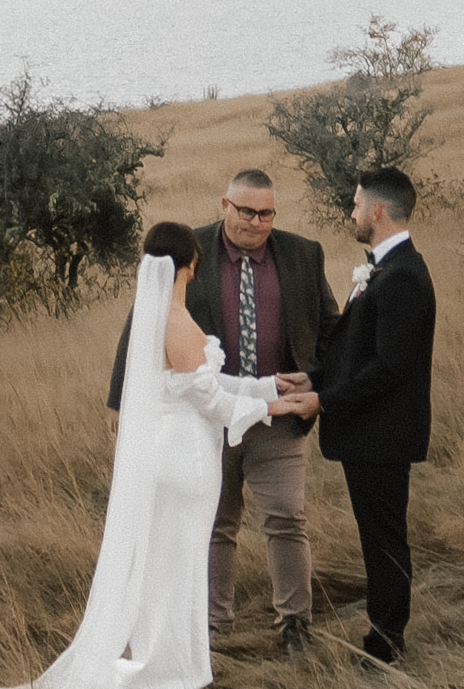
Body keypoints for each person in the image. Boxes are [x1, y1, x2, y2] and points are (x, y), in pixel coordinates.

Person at [0, 225, 286, 689]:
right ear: (190, 265)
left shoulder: (158, 320)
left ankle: (165, 664)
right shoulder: (177, 320)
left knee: (163, 567)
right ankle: (164, 672)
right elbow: (211, 400)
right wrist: (272, 409)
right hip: (185, 462)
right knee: (177, 568)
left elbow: (202, 381)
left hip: (167, 457)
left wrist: (266, 387)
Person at [107, 168, 332, 659]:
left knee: (287, 518)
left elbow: (330, 328)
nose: (256, 221)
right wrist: (121, 398)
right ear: (225, 205)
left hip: (282, 419)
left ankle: (296, 626)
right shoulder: (190, 251)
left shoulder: (302, 254)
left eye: (266, 213)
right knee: (214, 524)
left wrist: (314, 381)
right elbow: (141, 322)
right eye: (246, 211)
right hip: (206, 423)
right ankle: (212, 629)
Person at [305, 167, 436, 665]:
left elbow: (388, 369)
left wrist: (324, 402)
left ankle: (386, 643)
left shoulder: (402, 277)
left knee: (383, 541)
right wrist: (314, 382)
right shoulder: (385, 269)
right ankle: (384, 635)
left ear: (378, 210)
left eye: (357, 204)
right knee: (378, 536)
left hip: (382, 436)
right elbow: (356, 353)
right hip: (370, 434)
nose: (352, 212)